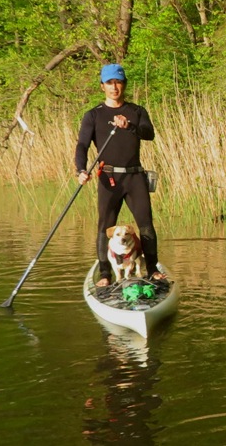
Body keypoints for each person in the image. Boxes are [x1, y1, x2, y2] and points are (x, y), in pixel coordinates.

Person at [75, 63, 165, 287]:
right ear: (102, 86)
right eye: (109, 83)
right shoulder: (93, 115)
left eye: (118, 82)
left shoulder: (136, 111)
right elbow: (82, 146)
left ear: (124, 84)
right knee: (105, 225)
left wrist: (130, 127)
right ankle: (105, 274)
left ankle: (152, 269)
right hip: (109, 178)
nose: (114, 87)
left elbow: (149, 134)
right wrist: (81, 170)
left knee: (146, 226)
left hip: (135, 178)